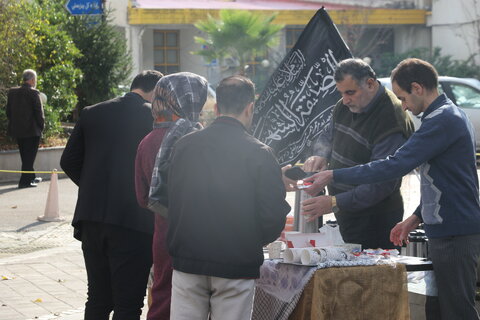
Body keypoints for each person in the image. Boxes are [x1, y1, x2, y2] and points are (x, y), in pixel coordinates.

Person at [305, 58, 480, 320]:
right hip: (445, 230)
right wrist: (416, 217)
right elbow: (446, 181)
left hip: (455, 232)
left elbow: (393, 165)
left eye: (403, 98)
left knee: (456, 311)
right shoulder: (444, 115)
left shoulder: (442, 120)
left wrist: (334, 174)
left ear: (417, 88)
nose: (405, 107)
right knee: (438, 309)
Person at [166, 75, 291, 320]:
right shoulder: (260, 153)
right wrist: (251, 240)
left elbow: (170, 198)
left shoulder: (184, 146)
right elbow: (273, 214)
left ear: (215, 108)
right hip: (236, 261)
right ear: (250, 108)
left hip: (188, 258)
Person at [60, 70, 163, 320]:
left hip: (91, 219)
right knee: (128, 303)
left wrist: (94, 188)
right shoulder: (152, 117)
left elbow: (69, 161)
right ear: (156, 92)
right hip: (133, 221)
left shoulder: (92, 112)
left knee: (97, 298)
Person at [290, 58, 414, 250]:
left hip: (376, 221)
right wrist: (321, 155)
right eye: (341, 93)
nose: (345, 99)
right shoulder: (344, 105)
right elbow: (328, 134)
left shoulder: (390, 117)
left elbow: (381, 183)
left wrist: (333, 202)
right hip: (347, 214)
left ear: (370, 84)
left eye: (350, 92)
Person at [135, 72, 208, 320]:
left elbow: (143, 196)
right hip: (200, 235)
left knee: (163, 296)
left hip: (164, 233)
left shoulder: (148, 140)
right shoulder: (200, 138)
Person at [6, 69, 45, 188]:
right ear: (32, 80)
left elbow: (8, 111)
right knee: (29, 157)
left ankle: (31, 177)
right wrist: (41, 127)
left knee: (25, 156)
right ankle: (24, 182)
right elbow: (39, 113)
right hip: (32, 131)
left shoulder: (12, 92)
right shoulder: (34, 93)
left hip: (18, 130)